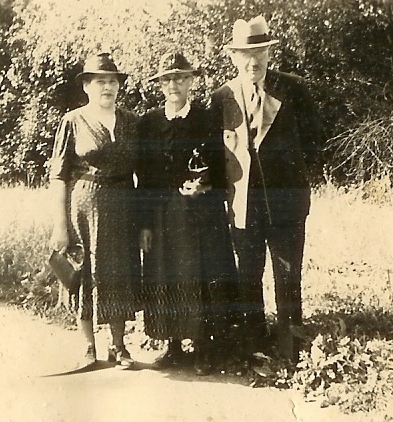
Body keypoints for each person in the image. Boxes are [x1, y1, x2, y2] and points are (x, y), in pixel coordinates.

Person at [211, 16, 322, 362]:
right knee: (249, 274)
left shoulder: (294, 89)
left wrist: (293, 177)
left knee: (288, 273)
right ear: (233, 57)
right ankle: (253, 345)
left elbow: (316, 141)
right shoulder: (221, 97)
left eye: (259, 52)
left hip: (286, 202)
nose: (253, 61)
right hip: (243, 202)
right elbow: (215, 154)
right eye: (245, 54)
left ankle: (291, 349)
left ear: (269, 54)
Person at [137, 51, 239, 375]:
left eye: (180, 77)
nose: (174, 85)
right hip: (164, 214)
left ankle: (205, 347)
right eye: (168, 79)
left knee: (203, 276)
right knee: (168, 275)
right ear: (161, 85)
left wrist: (205, 186)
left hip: (202, 212)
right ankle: (173, 345)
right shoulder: (149, 122)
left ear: (191, 81)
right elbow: (144, 174)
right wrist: (145, 223)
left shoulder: (207, 118)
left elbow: (221, 164)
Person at [49, 53, 140, 369]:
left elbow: (141, 169)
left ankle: (119, 346)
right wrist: (60, 225)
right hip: (86, 205)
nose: (108, 86)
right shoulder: (72, 121)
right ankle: (89, 347)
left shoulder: (131, 120)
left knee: (118, 271)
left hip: (124, 204)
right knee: (85, 270)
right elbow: (58, 175)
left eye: (113, 81)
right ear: (87, 85)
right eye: (100, 81)